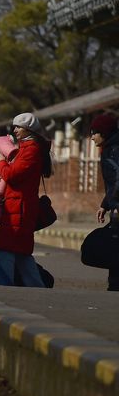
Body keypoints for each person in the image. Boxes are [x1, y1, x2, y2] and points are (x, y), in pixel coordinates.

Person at [0, 112, 52, 287]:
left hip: (19, 208)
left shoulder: (31, 150)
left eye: (19, 127)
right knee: (22, 255)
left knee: (6, 251)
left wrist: (0, 161)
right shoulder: (26, 148)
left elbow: (12, 175)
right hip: (18, 205)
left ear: (28, 129)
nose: (15, 130)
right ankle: (36, 290)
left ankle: (5, 289)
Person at [88, 113, 119, 291]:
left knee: (114, 247)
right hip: (114, 205)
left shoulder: (113, 150)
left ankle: (115, 287)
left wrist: (115, 205)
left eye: (94, 132)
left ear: (105, 132)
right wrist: (105, 204)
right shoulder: (111, 148)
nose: (92, 137)